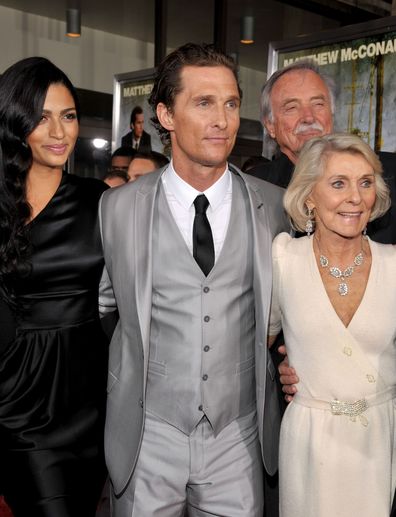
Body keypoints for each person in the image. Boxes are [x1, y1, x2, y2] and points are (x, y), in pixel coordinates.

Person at [99, 42, 288, 517]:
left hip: (237, 434)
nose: (222, 120)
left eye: (230, 103)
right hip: (148, 433)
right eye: (203, 103)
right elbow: (106, 304)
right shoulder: (118, 207)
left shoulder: (275, 207)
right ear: (165, 114)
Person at [0, 57, 108, 517]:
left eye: (68, 116)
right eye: (42, 118)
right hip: (21, 399)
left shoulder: (100, 201)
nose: (59, 132)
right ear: (15, 122)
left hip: (92, 397)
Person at [269, 133, 395, 517]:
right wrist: (280, 369)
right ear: (309, 195)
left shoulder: (394, 264)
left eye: (366, 182)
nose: (355, 197)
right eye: (338, 183)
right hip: (309, 440)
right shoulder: (283, 258)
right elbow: (258, 340)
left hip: (379, 438)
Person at [248, 60, 396, 244]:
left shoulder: (389, 173)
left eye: (318, 104)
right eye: (292, 107)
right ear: (270, 125)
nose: (309, 117)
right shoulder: (253, 187)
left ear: (332, 113)